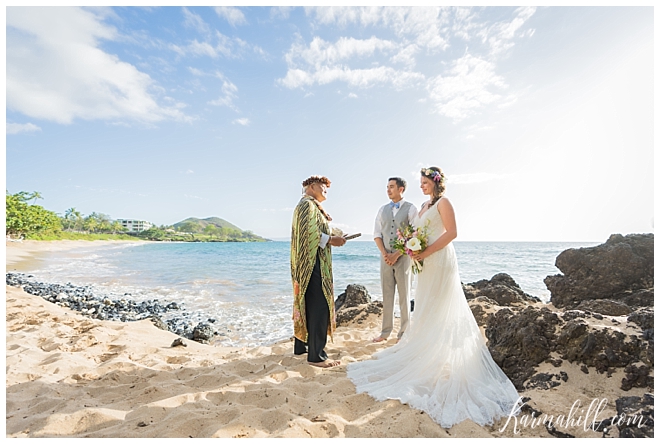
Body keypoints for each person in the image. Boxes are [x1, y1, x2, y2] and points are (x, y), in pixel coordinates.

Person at [347, 166, 521, 428]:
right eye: (421, 183)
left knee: (442, 307)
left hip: (439, 261)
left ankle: (444, 359)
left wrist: (424, 251)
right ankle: (428, 356)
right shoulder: (424, 205)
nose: (422, 186)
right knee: (427, 308)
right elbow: (415, 233)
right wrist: (412, 247)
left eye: (425, 182)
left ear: (436, 183)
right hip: (424, 263)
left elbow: (451, 233)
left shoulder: (444, 203)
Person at [291, 175, 346, 368]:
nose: (326, 191)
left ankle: (302, 346)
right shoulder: (307, 205)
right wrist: (332, 240)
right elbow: (309, 234)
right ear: (312, 186)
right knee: (320, 305)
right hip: (311, 263)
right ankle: (316, 356)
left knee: (308, 302)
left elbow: (311, 231)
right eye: (324, 187)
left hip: (307, 262)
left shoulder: (309, 205)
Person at [372, 177, 418, 343]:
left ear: (401, 189)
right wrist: (385, 253)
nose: (388, 190)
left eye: (391, 187)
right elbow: (377, 234)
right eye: (387, 187)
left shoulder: (411, 209)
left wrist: (396, 254)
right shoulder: (382, 210)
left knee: (404, 295)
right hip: (385, 258)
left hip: (404, 258)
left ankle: (404, 333)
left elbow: (415, 235)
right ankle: (385, 333)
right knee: (387, 295)